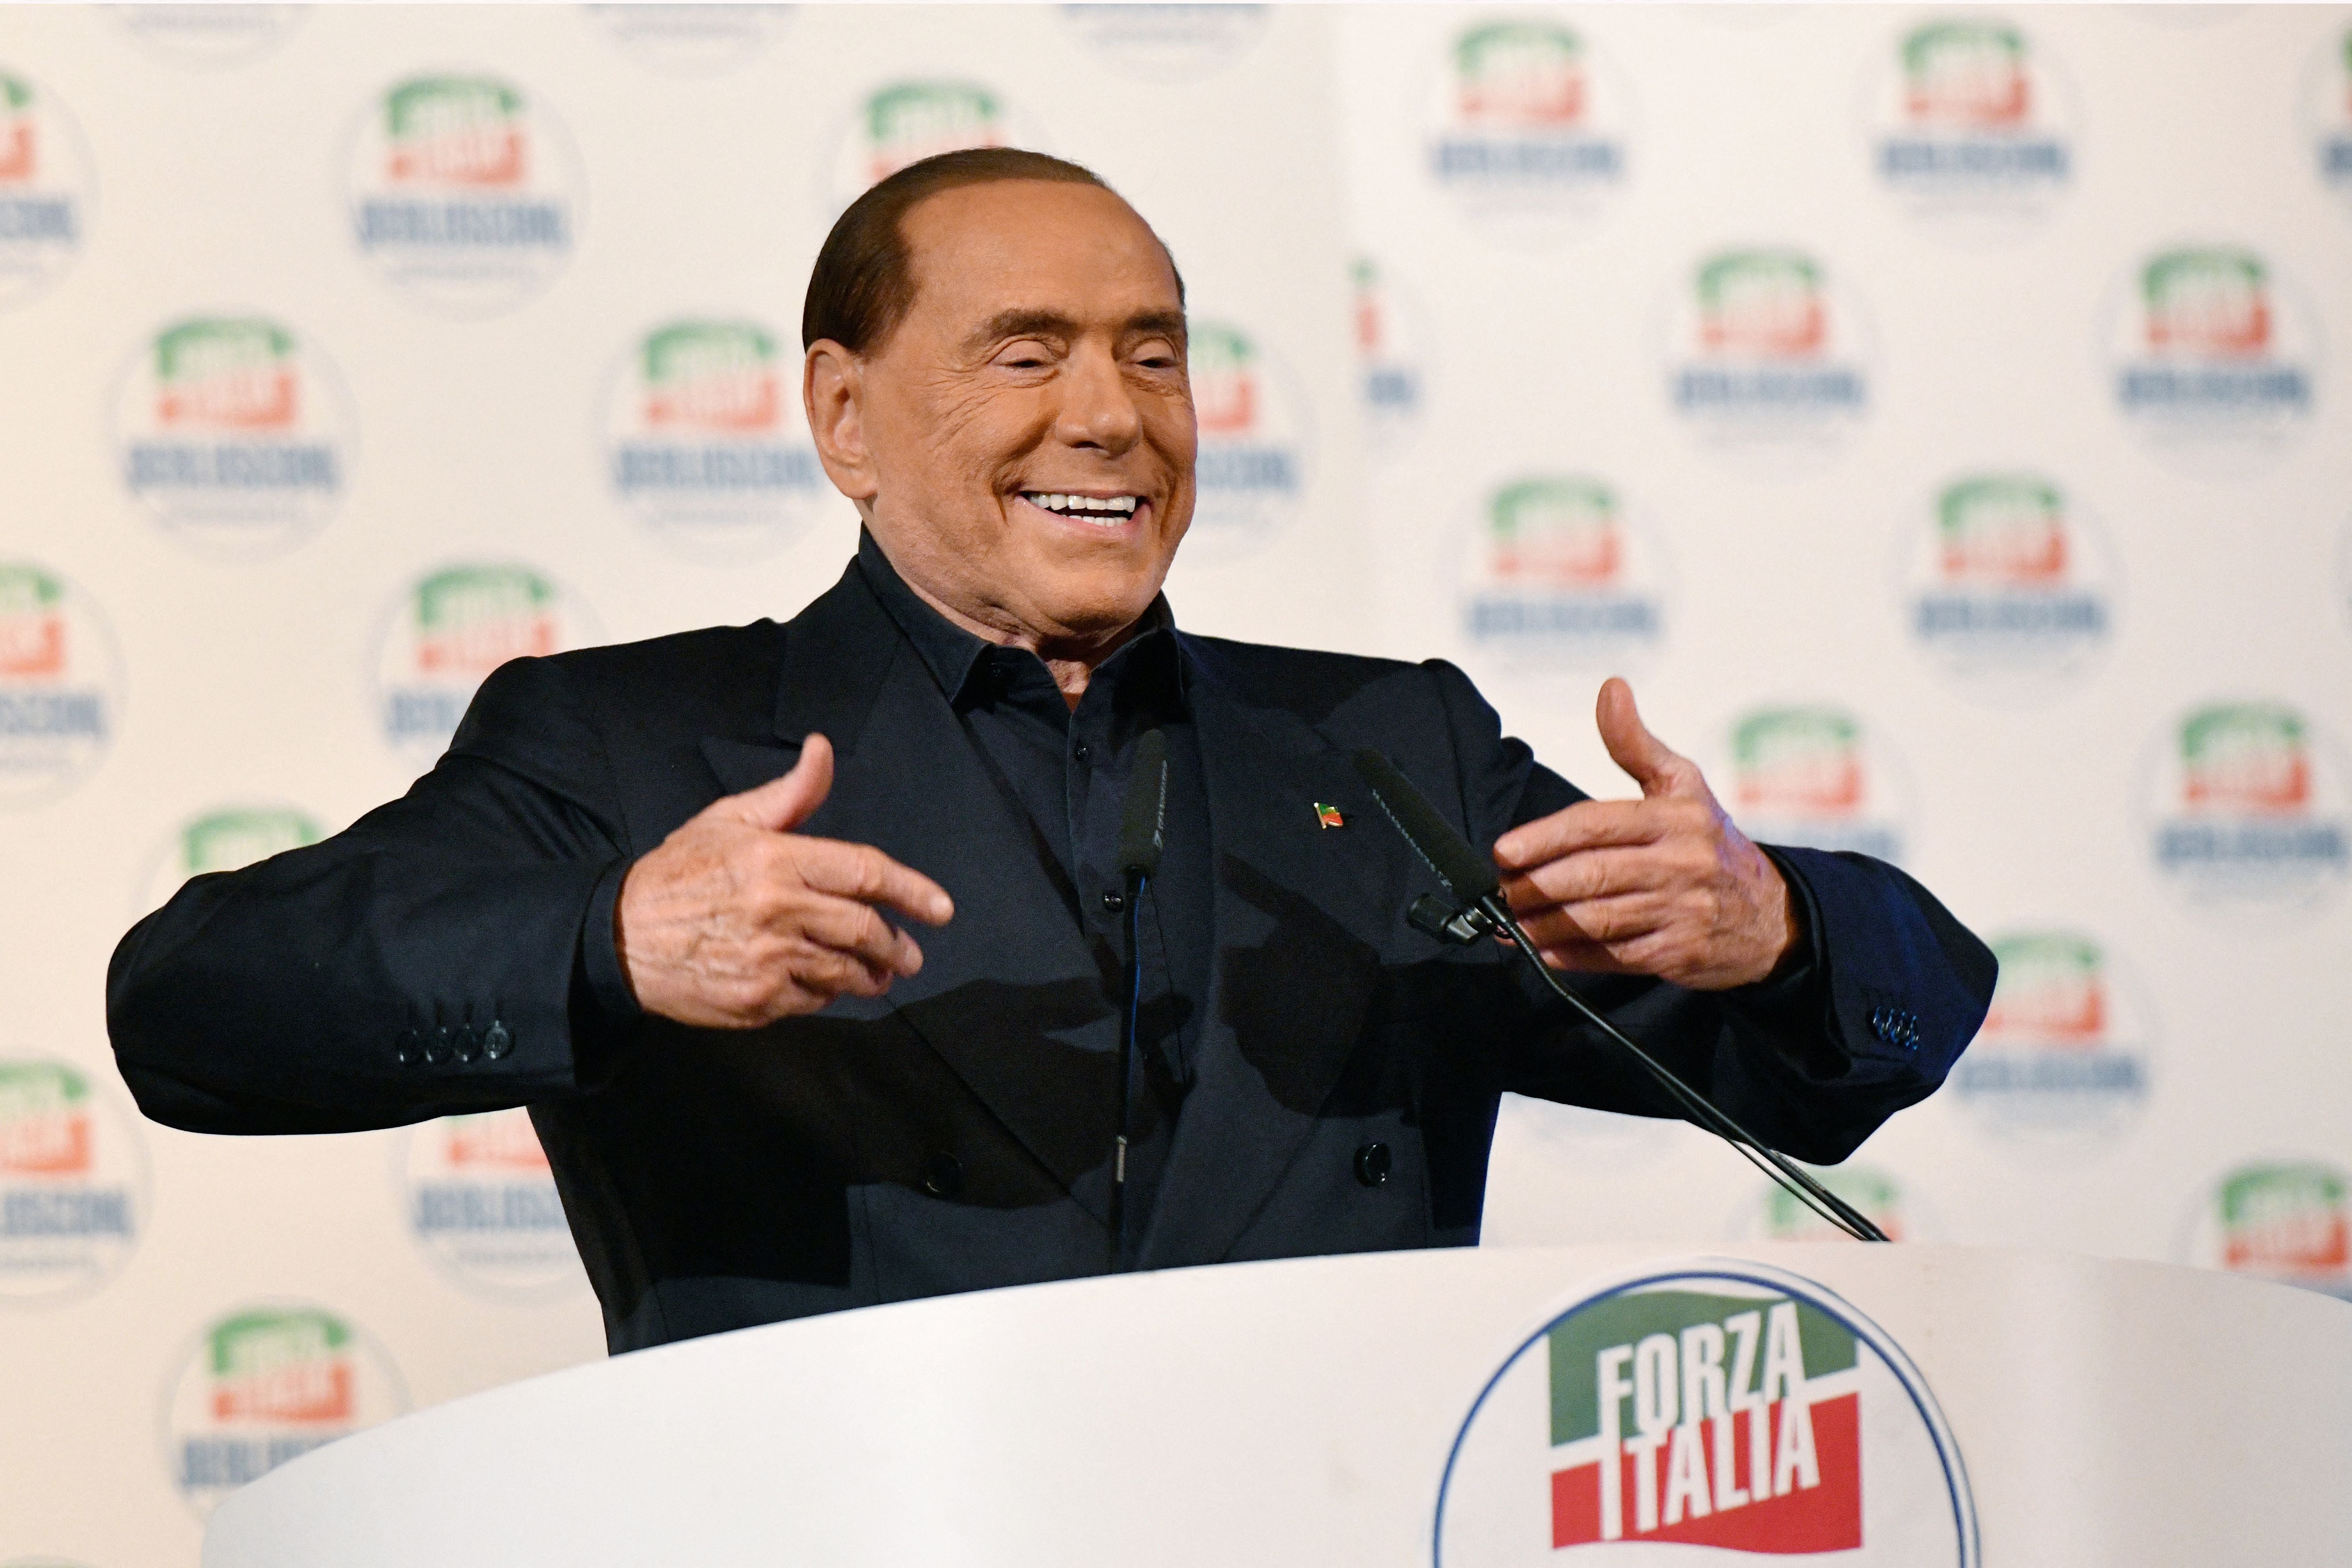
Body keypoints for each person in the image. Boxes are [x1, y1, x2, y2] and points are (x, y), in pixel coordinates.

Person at [108, 149, 1994, 1353]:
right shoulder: (638, 739)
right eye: (1023, 352)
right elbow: (198, 1004)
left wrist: (1780, 931)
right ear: (845, 416)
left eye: (1151, 353)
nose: (1107, 414)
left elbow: (1831, 1059)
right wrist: (606, 940)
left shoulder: (1381, 745)